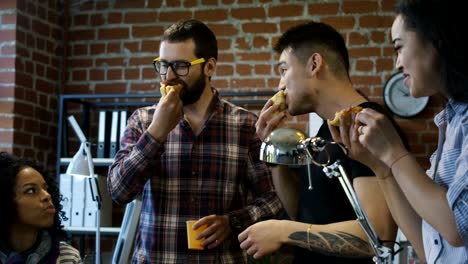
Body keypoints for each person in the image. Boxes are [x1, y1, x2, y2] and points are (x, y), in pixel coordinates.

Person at [107, 19, 283, 263]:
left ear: (209, 67)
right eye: (163, 65)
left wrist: (232, 221)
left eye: (180, 66)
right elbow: (118, 191)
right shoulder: (143, 120)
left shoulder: (243, 124)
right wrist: (157, 132)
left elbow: (274, 199)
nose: (168, 76)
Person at [238, 21, 405, 263]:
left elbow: (378, 235)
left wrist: (283, 231)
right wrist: (275, 152)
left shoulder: (365, 126)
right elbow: (301, 213)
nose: (280, 85)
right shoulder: (327, 130)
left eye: (284, 70)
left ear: (314, 64)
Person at [330, 0, 468, 263]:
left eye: (399, 47)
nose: (396, 63)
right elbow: (430, 248)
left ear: (437, 40)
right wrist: (380, 166)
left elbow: (457, 227)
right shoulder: (450, 121)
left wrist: (394, 152)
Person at [0, 152, 81, 263]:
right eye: (31, 190)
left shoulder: (67, 257)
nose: (47, 196)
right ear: (6, 201)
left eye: (46, 189)